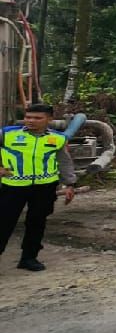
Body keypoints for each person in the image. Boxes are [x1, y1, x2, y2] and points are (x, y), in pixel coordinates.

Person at [0, 103, 77, 271]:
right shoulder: (7, 134)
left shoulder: (57, 138)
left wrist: (70, 184)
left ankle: (29, 258)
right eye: (28, 117)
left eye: (37, 118)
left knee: (37, 222)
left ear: (49, 119)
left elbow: (64, 162)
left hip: (45, 188)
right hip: (13, 187)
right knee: (4, 223)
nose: (31, 121)